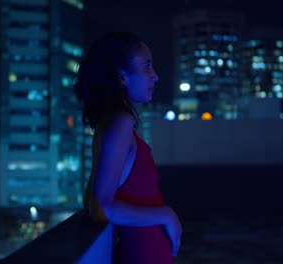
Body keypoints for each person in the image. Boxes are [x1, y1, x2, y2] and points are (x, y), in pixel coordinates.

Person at [74, 32, 182, 263]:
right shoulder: (120, 123)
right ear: (122, 77)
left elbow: (92, 197)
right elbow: (101, 208)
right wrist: (166, 215)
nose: (155, 76)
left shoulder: (115, 123)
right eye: (147, 67)